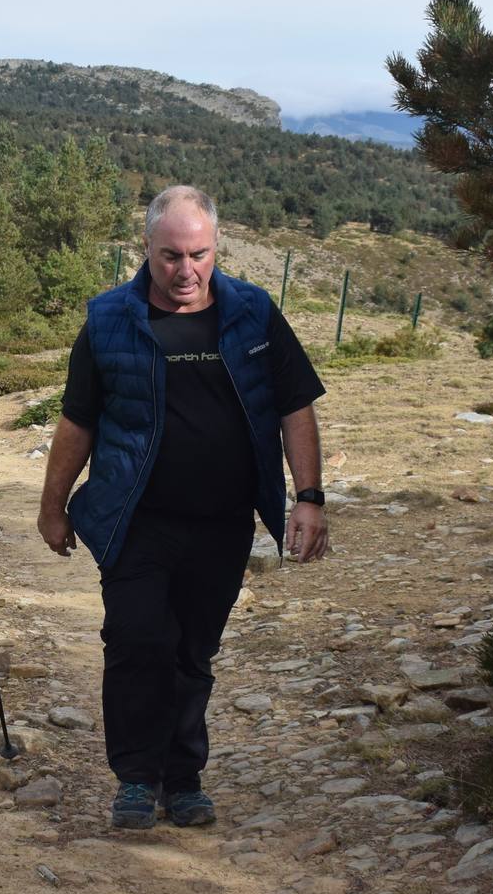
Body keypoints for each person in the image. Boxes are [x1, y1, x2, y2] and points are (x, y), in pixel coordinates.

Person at [36, 185, 329, 831]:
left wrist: (307, 497)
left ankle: (183, 777)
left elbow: (294, 405)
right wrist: (52, 506)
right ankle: (137, 779)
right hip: (136, 517)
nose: (185, 270)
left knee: (193, 652)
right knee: (138, 642)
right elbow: (78, 420)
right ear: (146, 247)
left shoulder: (252, 311)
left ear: (215, 245)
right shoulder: (110, 318)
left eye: (197, 253)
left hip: (223, 522)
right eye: (170, 255)